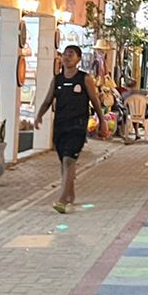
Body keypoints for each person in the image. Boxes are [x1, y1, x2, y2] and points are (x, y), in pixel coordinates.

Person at [35, 45, 102, 213]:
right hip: (60, 125)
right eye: (65, 54)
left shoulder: (85, 79)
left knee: (69, 160)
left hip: (77, 125)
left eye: (71, 55)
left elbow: (95, 101)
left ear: (78, 59)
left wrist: (102, 120)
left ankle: (62, 199)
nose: (66, 57)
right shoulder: (56, 79)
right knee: (63, 161)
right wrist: (39, 115)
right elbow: (48, 100)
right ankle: (70, 194)